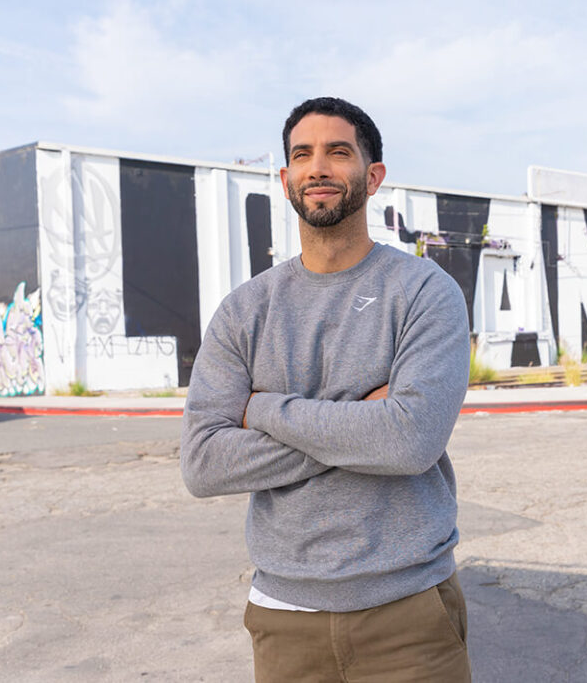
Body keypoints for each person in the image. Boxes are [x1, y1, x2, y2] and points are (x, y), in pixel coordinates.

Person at [180, 96, 472, 682]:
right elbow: (204, 464)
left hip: (409, 616)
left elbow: (409, 442)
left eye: (338, 152)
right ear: (286, 178)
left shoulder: (423, 292)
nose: (318, 167)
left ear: (373, 175)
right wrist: (359, 422)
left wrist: (261, 410)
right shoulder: (244, 311)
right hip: (284, 621)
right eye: (302, 155)